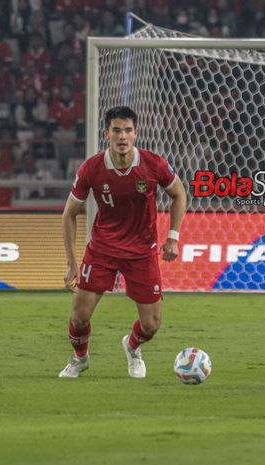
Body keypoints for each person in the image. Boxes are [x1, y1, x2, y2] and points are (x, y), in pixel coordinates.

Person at [59, 106, 187, 379]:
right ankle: (79, 359)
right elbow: (69, 214)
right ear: (107, 134)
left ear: (136, 133)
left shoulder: (154, 164)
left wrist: (173, 237)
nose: (122, 136)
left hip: (142, 252)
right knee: (79, 316)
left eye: (128, 130)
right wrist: (71, 263)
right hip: (102, 249)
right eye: (116, 130)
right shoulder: (91, 168)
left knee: (151, 325)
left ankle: (132, 346)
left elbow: (179, 194)